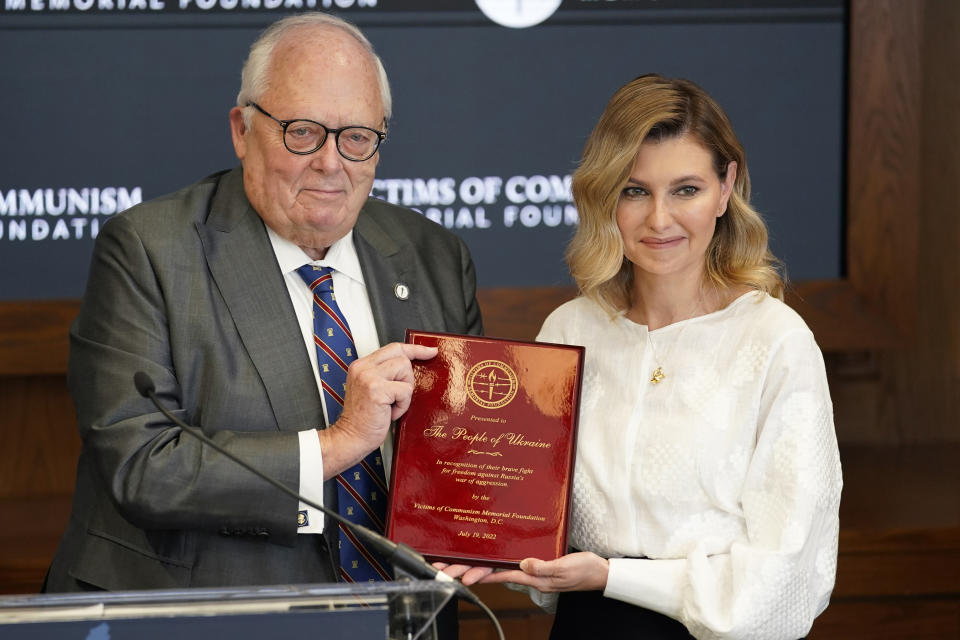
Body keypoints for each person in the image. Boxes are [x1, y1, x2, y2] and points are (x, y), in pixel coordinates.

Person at [44, 11, 481, 612]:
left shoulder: (434, 258)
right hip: (201, 613)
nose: (332, 163)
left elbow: (464, 453)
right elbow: (142, 466)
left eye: (357, 137)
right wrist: (341, 442)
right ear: (243, 130)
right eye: (303, 132)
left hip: (399, 614)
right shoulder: (149, 250)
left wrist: (484, 526)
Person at [444, 74, 842, 639]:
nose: (659, 219)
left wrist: (613, 577)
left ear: (726, 188)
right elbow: (528, 515)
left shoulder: (775, 340)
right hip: (587, 627)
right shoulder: (568, 329)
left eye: (686, 190)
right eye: (635, 190)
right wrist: (496, 545)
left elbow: (790, 576)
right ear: (606, 196)